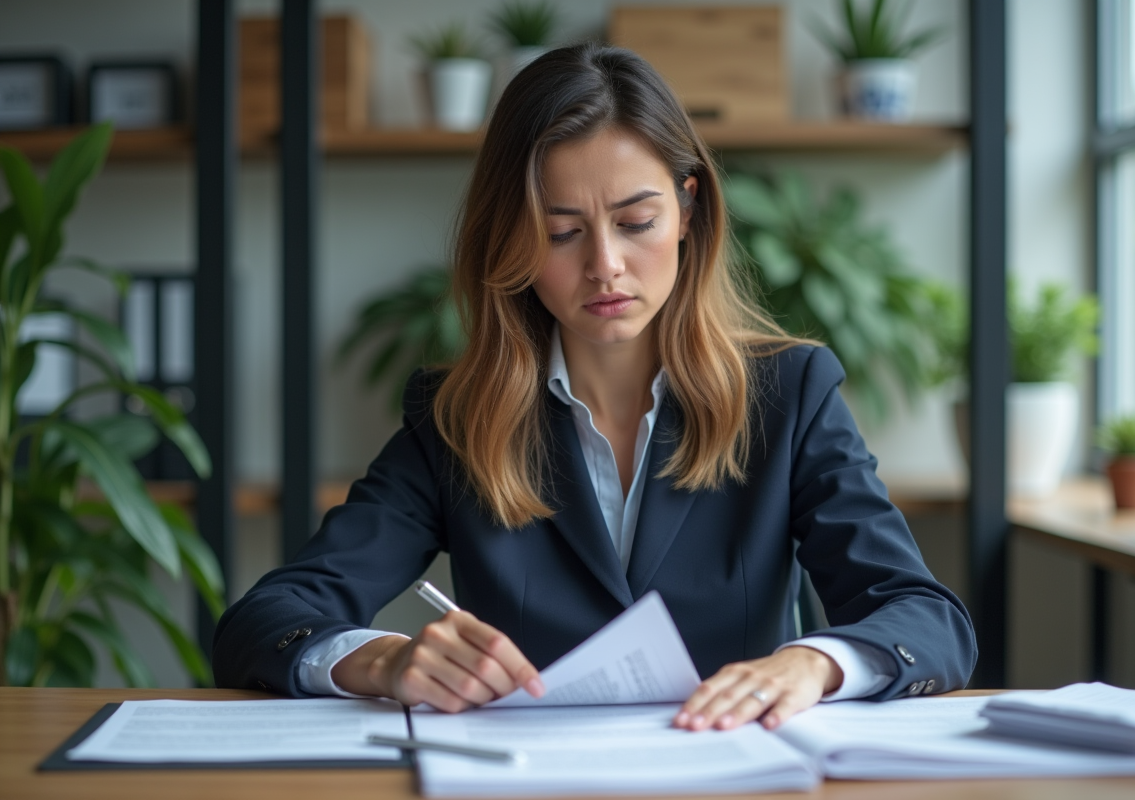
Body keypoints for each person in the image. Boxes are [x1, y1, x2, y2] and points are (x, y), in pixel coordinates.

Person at [213, 42, 975, 733]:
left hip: (736, 780)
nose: (605, 265)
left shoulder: (790, 393)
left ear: (686, 208)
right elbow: (265, 621)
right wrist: (380, 661)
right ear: (510, 239)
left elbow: (926, 619)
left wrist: (813, 663)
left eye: (635, 221)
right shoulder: (453, 419)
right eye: (561, 232)